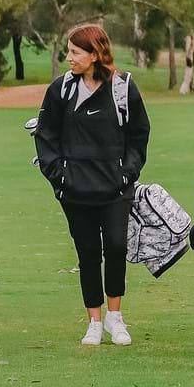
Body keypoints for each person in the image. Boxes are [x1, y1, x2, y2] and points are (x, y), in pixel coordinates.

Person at [32, 23, 151, 346]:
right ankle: (94, 321)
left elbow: (139, 135)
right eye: (68, 51)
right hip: (74, 191)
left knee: (115, 246)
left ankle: (116, 317)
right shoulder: (61, 90)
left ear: (95, 54)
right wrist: (59, 176)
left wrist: (127, 174)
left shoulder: (122, 88)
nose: (69, 57)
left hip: (116, 188)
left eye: (75, 52)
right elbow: (46, 136)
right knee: (87, 253)